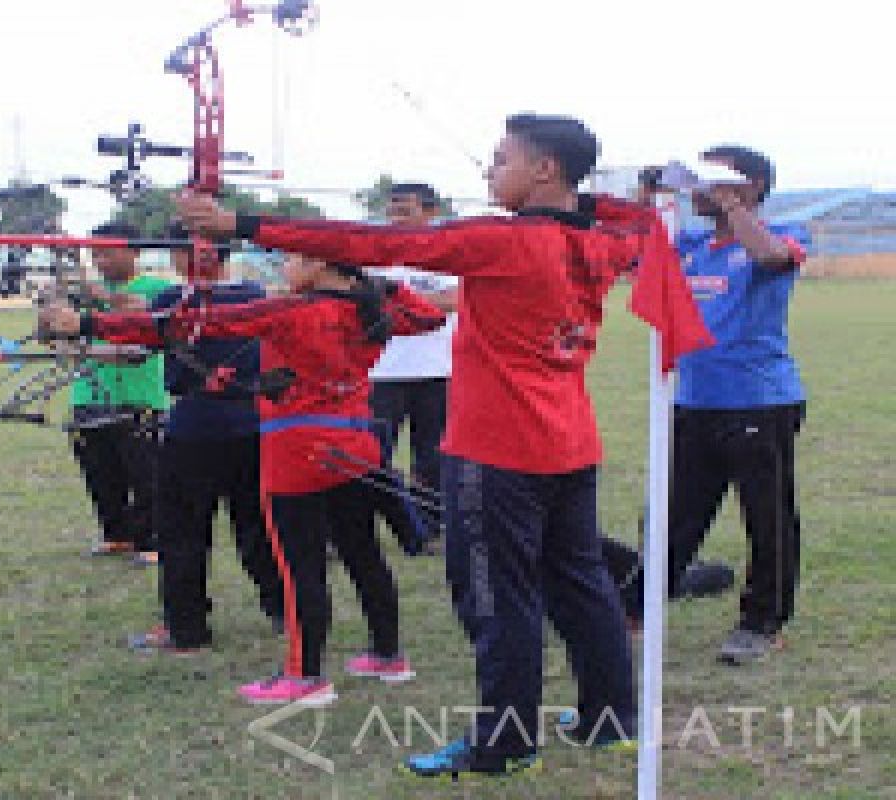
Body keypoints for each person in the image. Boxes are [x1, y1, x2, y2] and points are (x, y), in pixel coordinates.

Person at [171, 113, 702, 781]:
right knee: (580, 579)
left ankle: (505, 743)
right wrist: (582, 200)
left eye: (501, 158)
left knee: (495, 596)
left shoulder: (504, 242)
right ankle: (610, 717)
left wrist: (244, 227)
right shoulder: (603, 240)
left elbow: (369, 242)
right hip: (567, 442)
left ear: (543, 170)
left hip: (497, 452)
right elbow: (631, 219)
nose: (488, 170)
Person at [40, 251, 447, 705]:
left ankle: (304, 675)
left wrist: (87, 324)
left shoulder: (292, 310)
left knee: (298, 567)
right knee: (363, 552)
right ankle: (388, 656)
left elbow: (190, 326)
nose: (283, 268)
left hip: (298, 450)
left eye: (294, 260)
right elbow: (428, 316)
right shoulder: (369, 307)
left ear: (319, 266)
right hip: (355, 443)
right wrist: (371, 284)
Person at [635, 146, 810, 665]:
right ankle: (640, 606)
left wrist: (735, 206)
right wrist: (652, 196)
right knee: (673, 513)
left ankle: (762, 623)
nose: (700, 189)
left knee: (766, 518)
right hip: (693, 400)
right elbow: (634, 252)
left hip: (759, 402)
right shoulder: (689, 242)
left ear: (750, 185)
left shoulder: (786, 233)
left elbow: (771, 258)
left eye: (713, 178)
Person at [126, 229, 286, 655]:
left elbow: (140, 337)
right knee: (259, 527)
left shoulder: (171, 304)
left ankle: (186, 628)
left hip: (194, 429)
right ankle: (286, 611)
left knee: (182, 533)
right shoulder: (255, 294)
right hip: (251, 425)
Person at [71, 223, 172, 564]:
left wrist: (101, 298)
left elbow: (141, 311)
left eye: (107, 252)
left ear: (134, 251)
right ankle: (117, 535)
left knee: (147, 475)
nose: (100, 261)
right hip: (88, 395)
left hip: (140, 396)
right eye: (94, 254)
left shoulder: (159, 288)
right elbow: (57, 333)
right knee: (100, 472)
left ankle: (152, 541)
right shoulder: (85, 294)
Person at [367, 183, 457, 552]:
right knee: (372, 455)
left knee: (432, 455)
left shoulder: (449, 253)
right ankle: (359, 526)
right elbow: (363, 302)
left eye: (405, 210)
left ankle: (429, 525)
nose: (396, 218)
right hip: (381, 373)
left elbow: (454, 300)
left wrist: (398, 301)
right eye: (393, 210)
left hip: (437, 371)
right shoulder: (373, 254)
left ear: (431, 212)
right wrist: (421, 304)